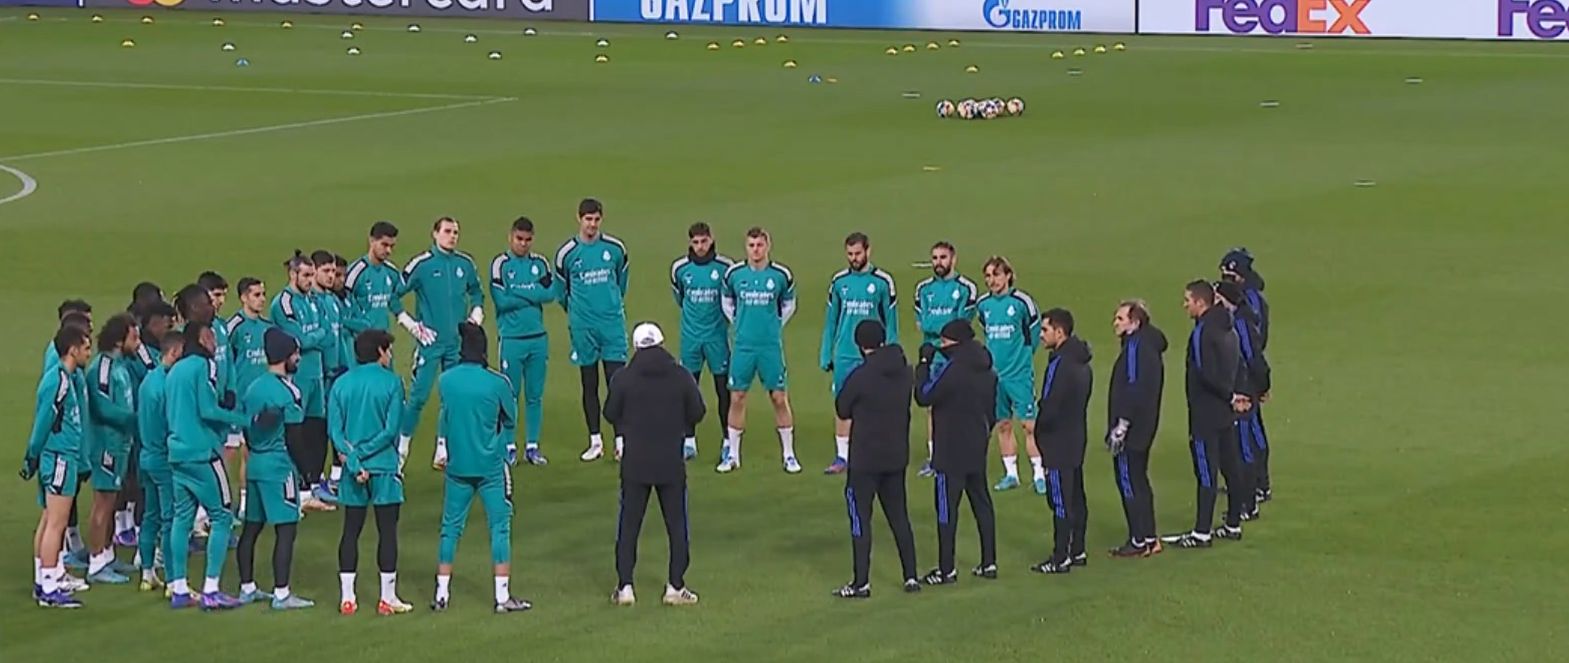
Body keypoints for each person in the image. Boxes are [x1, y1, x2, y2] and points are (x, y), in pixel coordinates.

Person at [603, 322, 705, 607]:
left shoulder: (624, 377)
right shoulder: (681, 376)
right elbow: (698, 411)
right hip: (670, 462)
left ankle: (625, 587)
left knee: (629, 526)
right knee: (676, 526)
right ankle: (675, 586)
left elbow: (610, 412)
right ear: (661, 343)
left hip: (635, 463)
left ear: (636, 346)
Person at [432, 323, 529, 614]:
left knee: (450, 529)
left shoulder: (446, 381)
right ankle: (502, 598)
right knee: (500, 528)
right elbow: (510, 418)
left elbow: (446, 414)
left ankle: (442, 594)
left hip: (458, 467)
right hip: (490, 468)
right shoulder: (497, 383)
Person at [165, 320, 249, 610]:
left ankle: (178, 588)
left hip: (177, 453)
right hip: (203, 454)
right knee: (222, 516)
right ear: (202, 338)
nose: (216, 343)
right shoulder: (203, 366)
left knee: (181, 519)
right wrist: (244, 420)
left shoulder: (174, 370)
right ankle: (211, 589)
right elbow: (207, 409)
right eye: (212, 337)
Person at [832, 320, 918, 598]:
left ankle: (861, 583)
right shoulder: (905, 372)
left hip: (865, 460)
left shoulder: (861, 376)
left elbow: (842, 408)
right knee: (900, 518)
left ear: (860, 344)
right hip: (895, 456)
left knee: (860, 519)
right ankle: (911, 576)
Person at [331, 329, 412, 616]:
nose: (390, 355)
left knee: (350, 531)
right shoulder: (392, 383)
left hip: (354, 472)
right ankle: (387, 598)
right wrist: (364, 457)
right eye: (388, 350)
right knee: (387, 532)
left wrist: (353, 461)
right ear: (379, 351)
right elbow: (390, 431)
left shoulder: (340, 385)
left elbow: (336, 433)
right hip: (384, 469)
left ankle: (347, 598)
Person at [235, 328, 314, 610]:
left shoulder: (253, 388)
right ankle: (282, 594)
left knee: (251, 528)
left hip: (254, 462)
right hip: (278, 466)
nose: (298, 358)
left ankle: (247, 587)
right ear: (284, 356)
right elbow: (294, 436)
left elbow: (246, 427)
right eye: (295, 353)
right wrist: (308, 473)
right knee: (286, 529)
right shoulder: (288, 390)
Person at [915, 320, 999, 584]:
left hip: (950, 450)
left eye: (944, 341)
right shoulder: (987, 368)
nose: (941, 346)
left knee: (946, 509)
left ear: (955, 342)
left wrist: (923, 365)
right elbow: (993, 412)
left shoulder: (954, 370)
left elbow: (924, 396)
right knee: (982, 505)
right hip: (976, 445)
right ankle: (989, 563)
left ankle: (946, 569)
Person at [398, 217, 485, 469]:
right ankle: (401, 450)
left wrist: (477, 312)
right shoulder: (422, 264)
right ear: (435, 234)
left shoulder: (464, 264)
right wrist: (410, 324)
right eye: (447, 231)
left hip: (456, 343)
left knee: (452, 397)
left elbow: (477, 291)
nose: (452, 236)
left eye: (456, 232)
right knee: (418, 397)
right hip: (430, 343)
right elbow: (396, 293)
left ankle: (443, 449)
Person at [1164, 280, 1243, 549]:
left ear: (1201, 302)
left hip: (1205, 413)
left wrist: (1227, 395)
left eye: (1188, 300)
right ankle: (1233, 523)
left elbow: (1204, 372)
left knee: (1206, 473)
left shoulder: (1202, 332)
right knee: (1231, 467)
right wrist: (1234, 395)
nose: (1185, 305)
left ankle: (1201, 533)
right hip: (1224, 413)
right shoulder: (1229, 326)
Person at [553, 199, 631, 462]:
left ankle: (621, 440)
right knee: (589, 383)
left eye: (596, 219)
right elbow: (561, 292)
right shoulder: (567, 253)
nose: (592, 224)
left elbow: (621, 283)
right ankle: (595, 440)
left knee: (617, 383)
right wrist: (578, 314)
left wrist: (609, 306)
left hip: (611, 325)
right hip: (583, 327)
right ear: (579, 219)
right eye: (588, 219)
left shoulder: (615, 249)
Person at [718, 227, 800, 474]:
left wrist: (774, 325)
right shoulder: (735, 274)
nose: (756, 250)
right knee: (737, 397)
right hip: (743, 346)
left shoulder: (780, 275)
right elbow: (727, 301)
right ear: (746, 247)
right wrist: (739, 324)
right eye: (751, 245)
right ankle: (733, 454)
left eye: (760, 245)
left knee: (778, 397)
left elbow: (789, 304)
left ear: (768, 246)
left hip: (770, 346)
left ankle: (788, 454)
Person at [23, 324, 93, 608]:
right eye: (86, 347)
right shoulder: (59, 381)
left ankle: (43, 579)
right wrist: (32, 455)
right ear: (73, 349)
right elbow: (43, 422)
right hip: (60, 457)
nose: (90, 352)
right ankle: (50, 587)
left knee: (48, 520)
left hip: (60, 456)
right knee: (57, 523)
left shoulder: (66, 377)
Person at [819, 233, 898, 475]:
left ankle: (874, 452)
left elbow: (891, 322)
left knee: (877, 405)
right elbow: (831, 321)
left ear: (868, 251)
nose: (854, 259)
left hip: (873, 356)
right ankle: (842, 456)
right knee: (842, 405)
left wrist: (892, 353)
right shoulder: (839, 282)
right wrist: (826, 352)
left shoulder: (883, 282)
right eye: (850, 254)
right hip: (844, 353)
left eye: (858, 254)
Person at [491, 216, 561, 466]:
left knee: (535, 396)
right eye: (519, 239)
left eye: (528, 240)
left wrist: (518, 291)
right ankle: (509, 446)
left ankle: (532, 446)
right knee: (510, 396)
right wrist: (532, 293)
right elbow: (501, 301)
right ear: (511, 237)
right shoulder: (501, 264)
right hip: (511, 340)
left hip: (537, 339)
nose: (523, 244)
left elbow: (551, 294)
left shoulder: (540, 263)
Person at [1029, 309, 1093, 575]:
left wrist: (1040, 432)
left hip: (1057, 442)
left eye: (1045, 330)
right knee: (1076, 496)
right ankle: (1077, 549)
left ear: (1060, 331)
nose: (1041, 336)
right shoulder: (1082, 362)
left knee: (1060, 500)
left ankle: (1060, 557)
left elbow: (1050, 404)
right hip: (1076, 436)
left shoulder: (1059, 364)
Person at [974, 257, 1044, 494]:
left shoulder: (1022, 302)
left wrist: (1023, 357)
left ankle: (1039, 474)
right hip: (994, 375)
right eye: (988, 276)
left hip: (1019, 375)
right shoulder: (983, 305)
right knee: (1003, 424)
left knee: (1029, 425)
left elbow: (1034, 333)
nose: (991, 280)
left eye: (996, 275)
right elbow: (986, 330)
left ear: (1008, 276)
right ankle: (1011, 474)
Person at [271, 253, 335, 512]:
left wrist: (314, 336)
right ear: (293, 275)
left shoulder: (313, 300)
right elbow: (299, 340)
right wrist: (315, 336)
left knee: (316, 431)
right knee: (294, 433)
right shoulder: (283, 303)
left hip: (316, 374)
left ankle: (311, 485)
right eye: (306, 275)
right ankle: (293, 489)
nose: (310, 281)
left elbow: (327, 334)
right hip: (296, 376)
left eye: (312, 275)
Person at [1105, 300, 1167, 558]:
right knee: (1140, 479)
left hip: (1132, 429)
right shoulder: (1150, 346)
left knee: (1129, 480)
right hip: (1146, 425)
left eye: (1120, 319)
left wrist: (1122, 425)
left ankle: (1139, 538)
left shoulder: (1135, 347)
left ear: (1135, 322)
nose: (1115, 323)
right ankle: (1150, 537)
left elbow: (1132, 387)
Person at [911, 241, 979, 477]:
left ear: (953, 259)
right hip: (931, 356)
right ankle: (934, 457)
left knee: (958, 406)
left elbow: (960, 324)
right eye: (935, 258)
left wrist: (937, 327)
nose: (938, 262)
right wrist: (942, 326)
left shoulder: (966, 288)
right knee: (931, 408)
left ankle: (958, 452)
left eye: (943, 257)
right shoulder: (923, 289)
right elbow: (922, 323)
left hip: (956, 358)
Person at [669, 222, 734, 461]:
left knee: (722, 391)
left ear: (711, 239)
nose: (700, 247)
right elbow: (680, 297)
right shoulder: (679, 269)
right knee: (688, 390)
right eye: (695, 242)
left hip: (717, 338)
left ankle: (728, 441)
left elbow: (730, 300)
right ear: (689, 243)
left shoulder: (726, 268)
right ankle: (688, 441)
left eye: (703, 241)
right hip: (691, 339)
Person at [85, 313, 141, 585]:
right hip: (106, 445)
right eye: (134, 337)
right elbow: (102, 407)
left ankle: (107, 555)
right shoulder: (103, 368)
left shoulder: (119, 366)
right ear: (120, 340)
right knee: (103, 505)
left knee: (112, 502)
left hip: (120, 444)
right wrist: (135, 419)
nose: (138, 343)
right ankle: (95, 562)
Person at [1219, 251, 1274, 503]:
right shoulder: (1243, 299)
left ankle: (1256, 486)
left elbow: (1253, 346)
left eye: (1231, 275)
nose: (1226, 279)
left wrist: (1260, 383)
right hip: (1242, 373)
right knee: (1248, 430)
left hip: (1246, 376)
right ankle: (1253, 484)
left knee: (1247, 432)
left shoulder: (1247, 305)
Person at [136, 332, 183, 593]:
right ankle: (174, 581)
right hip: (164, 459)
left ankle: (147, 574)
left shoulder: (148, 380)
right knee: (170, 519)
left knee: (150, 516)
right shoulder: (169, 385)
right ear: (174, 353)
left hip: (145, 456)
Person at [226, 278, 272, 518]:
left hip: (259, 402)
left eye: (263, 294)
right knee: (228, 453)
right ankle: (219, 504)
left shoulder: (267, 326)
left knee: (251, 452)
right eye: (256, 295)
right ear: (244, 297)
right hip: (237, 401)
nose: (262, 299)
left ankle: (245, 504)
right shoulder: (233, 326)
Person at [311, 250, 348, 499]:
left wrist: (345, 365)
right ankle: (311, 481)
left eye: (333, 272)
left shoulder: (333, 301)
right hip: (318, 375)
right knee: (313, 429)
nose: (331, 276)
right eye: (326, 271)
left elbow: (339, 337)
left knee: (335, 424)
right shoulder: (312, 302)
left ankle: (329, 478)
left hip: (335, 373)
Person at [344, 221, 407, 335]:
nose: (388, 251)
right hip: (362, 341)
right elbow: (343, 305)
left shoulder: (392, 272)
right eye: (384, 245)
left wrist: (404, 317)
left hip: (384, 339)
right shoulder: (356, 272)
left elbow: (393, 298)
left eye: (392, 246)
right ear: (372, 241)